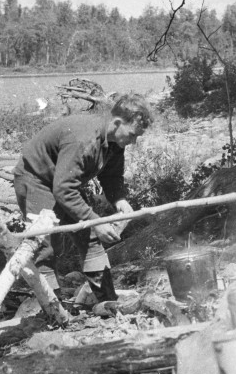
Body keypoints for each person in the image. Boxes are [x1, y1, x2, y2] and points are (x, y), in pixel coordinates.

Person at [13, 94, 153, 297]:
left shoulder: (114, 141)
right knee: (45, 245)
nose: (133, 141)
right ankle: (51, 309)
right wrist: (95, 220)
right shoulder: (84, 139)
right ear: (116, 123)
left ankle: (106, 299)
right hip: (36, 179)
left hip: (62, 181)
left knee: (91, 236)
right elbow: (64, 190)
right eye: (132, 134)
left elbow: (112, 176)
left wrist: (120, 199)